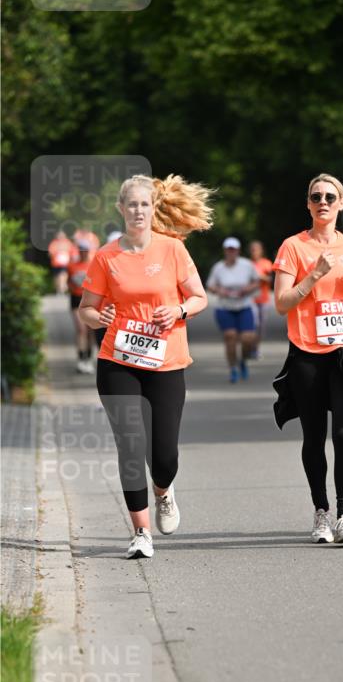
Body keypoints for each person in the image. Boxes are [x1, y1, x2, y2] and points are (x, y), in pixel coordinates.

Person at [79, 173, 212, 559]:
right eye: (132, 204)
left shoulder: (172, 249)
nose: (138, 210)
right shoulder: (106, 256)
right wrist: (96, 317)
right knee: (130, 445)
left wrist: (179, 309)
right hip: (117, 360)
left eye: (145, 204)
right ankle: (141, 532)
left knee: (164, 455)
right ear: (121, 209)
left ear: (154, 209)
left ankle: (164, 491)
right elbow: (85, 309)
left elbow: (199, 298)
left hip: (166, 361)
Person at [273, 172, 343, 544]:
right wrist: (314, 274)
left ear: (342, 203)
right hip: (307, 351)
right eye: (317, 197)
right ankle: (321, 513)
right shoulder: (292, 247)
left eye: (331, 196)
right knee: (313, 436)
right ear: (308, 204)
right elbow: (282, 303)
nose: (324, 202)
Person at [207, 238, 260, 382]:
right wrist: (220, 290)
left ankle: (242, 360)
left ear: (238, 250)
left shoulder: (247, 265)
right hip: (225, 307)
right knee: (230, 336)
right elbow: (210, 286)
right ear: (225, 251)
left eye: (234, 249)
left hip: (244, 305)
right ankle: (233, 368)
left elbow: (257, 282)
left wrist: (247, 289)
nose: (231, 252)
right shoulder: (218, 267)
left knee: (247, 338)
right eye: (228, 249)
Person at [67, 237, 97, 373]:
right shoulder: (72, 266)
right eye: (81, 250)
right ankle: (80, 359)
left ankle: (89, 359)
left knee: (90, 331)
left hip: (91, 301)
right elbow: (68, 282)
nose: (83, 252)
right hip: (76, 300)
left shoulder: (93, 265)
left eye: (85, 250)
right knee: (81, 330)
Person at [249, 239, 274, 356]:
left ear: (261, 251)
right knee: (254, 324)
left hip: (264, 300)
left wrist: (260, 276)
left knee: (261, 327)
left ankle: (255, 348)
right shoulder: (247, 264)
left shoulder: (267, 263)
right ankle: (250, 348)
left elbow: (270, 279)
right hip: (250, 300)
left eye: (256, 249)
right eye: (252, 249)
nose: (254, 251)